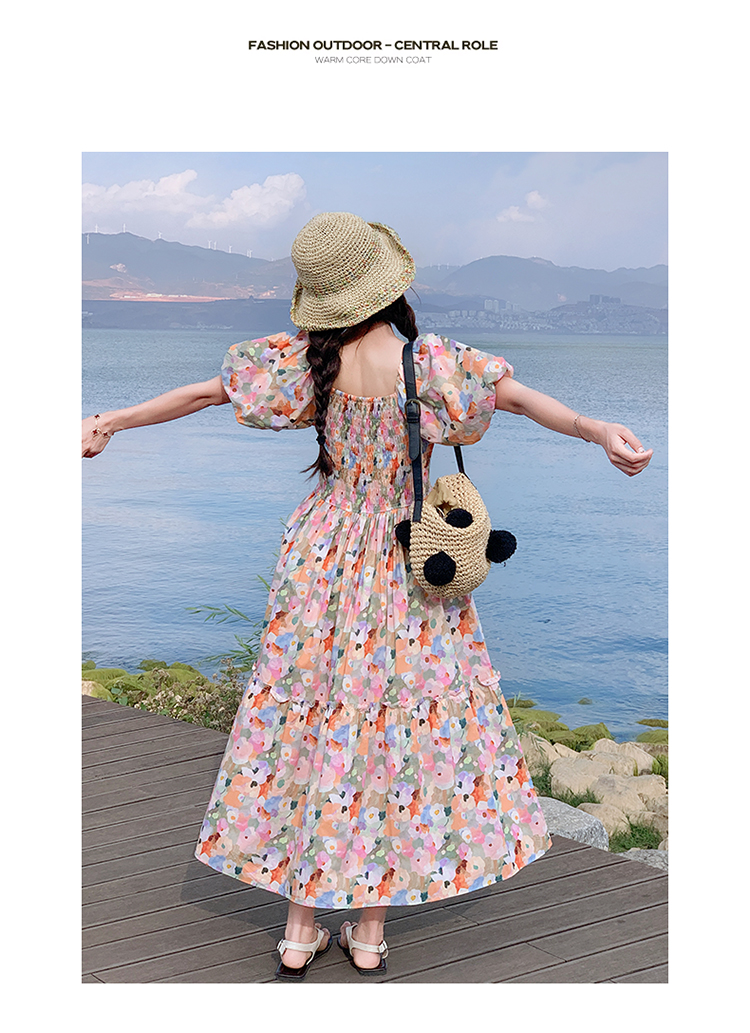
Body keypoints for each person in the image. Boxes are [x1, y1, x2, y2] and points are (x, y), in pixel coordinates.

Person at [82, 212, 653, 980]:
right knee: (388, 732)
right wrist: (598, 429)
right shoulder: (429, 362)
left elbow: (204, 395)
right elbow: (516, 399)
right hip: (403, 565)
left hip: (320, 559)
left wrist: (110, 420)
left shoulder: (307, 362)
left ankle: (298, 931)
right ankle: (371, 935)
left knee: (309, 722)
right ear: (388, 284)